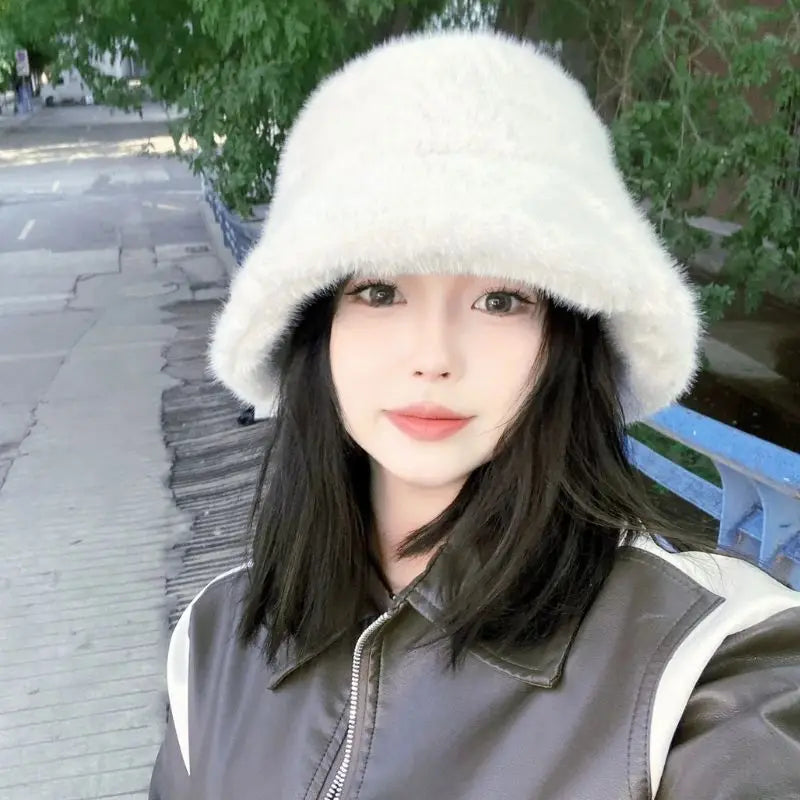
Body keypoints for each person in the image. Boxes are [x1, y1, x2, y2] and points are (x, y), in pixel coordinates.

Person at [149, 30, 800, 799]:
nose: (434, 357)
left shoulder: (701, 666)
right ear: (314, 327)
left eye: (500, 300)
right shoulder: (216, 643)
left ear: (569, 336)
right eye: (379, 291)